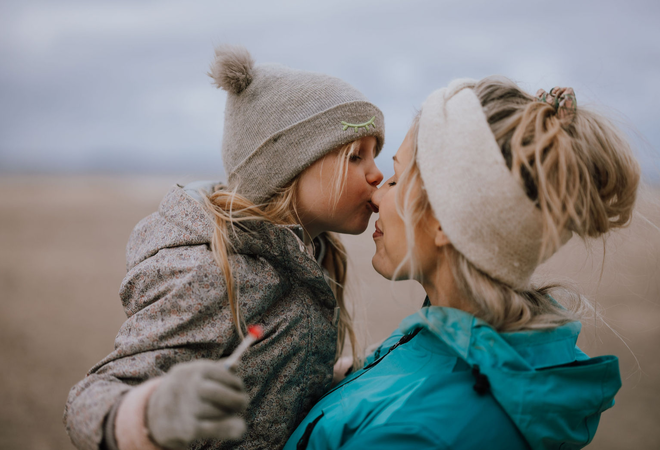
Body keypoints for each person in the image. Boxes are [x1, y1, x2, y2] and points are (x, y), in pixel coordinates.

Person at [285, 77, 640, 450]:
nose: (376, 194)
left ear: (444, 219)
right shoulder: (468, 339)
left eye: (397, 179)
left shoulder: (412, 435)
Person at [63, 45, 384, 450]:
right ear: (286, 166)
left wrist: (352, 375)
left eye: (376, 154)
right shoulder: (214, 270)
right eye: (356, 156)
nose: (377, 174)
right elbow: (89, 398)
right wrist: (151, 413)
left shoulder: (311, 256)